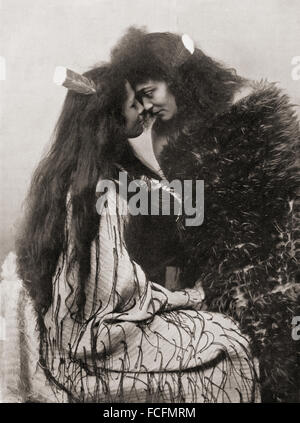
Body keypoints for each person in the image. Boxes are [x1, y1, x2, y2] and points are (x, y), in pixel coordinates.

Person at [13, 61, 260, 403]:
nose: (145, 108)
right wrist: (189, 298)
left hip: (79, 332)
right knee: (232, 341)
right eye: (134, 104)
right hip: (95, 346)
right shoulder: (99, 195)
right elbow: (117, 302)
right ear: (108, 119)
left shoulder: (81, 175)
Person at [110, 27, 300, 402]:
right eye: (139, 99)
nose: (145, 107)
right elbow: (185, 217)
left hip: (283, 273)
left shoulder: (250, 108)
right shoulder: (165, 133)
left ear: (179, 77)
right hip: (222, 289)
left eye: (149, 93)